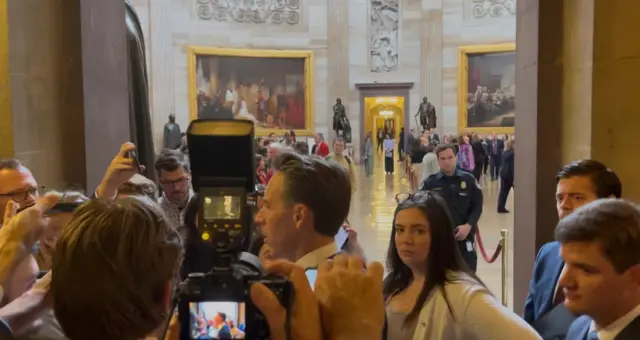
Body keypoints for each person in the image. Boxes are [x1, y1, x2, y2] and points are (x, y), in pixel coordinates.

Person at [384, 191, 541, 339]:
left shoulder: (461, 295)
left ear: (439, 236)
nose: (406, 240)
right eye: (400, 230)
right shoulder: (393, 282)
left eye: (418, 231)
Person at [523, 160, 622, 339]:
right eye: (560, 198)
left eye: (577, 197)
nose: (564, 205)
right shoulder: (548, 254)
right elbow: (528, 324)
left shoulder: (624, 262)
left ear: (609, 203)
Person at [559, 199, 640, 339]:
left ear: (635, 278)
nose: (564, 281)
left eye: (585, 269)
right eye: (565, 263)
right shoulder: (578, 328)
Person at [255, 151, 351, 268]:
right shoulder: (342, 270)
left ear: (299, 216)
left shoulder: (311, 284)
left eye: (268, 206)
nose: (258, 218)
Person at [420, 144, 482, 272]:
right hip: (440, 240)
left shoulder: (469, 180)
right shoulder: (430, 183)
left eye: (450, 157)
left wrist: (468, 225)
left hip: (464, 237)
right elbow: (423, 209)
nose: (447, 162)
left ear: (456, 158)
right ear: (438, 161)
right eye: (443, 159)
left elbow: (477, 206)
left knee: (468, 275)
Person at [497, 139, 515, 213]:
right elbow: (513, 166)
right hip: (510, 176)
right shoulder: (513, 153)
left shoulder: (504, 152)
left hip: (504, 174)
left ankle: (500, 207)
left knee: (503, 192)